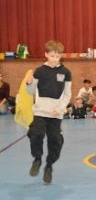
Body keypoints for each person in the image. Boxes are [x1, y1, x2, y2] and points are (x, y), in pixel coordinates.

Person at [25, 40, 72, 184]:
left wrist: (60, 108)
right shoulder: (39, 71)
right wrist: (29, 83)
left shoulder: (66, 73)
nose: (54, 59)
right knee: (35, 133)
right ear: (46, 55)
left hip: (55, 114)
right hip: (40, 112)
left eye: (57, 56)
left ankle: (49, 166)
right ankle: (37, 159)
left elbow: (67, 94)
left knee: (56, 141)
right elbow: (31, 92)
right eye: (52, 56)